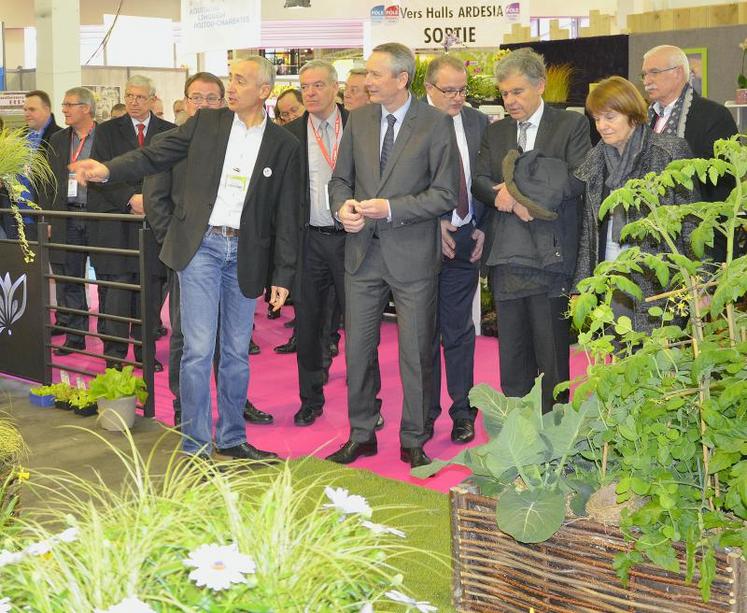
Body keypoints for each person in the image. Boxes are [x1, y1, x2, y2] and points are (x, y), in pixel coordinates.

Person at [71, 56, 301, 462]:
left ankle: (231, 436)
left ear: (264, 91)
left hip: (246, 253)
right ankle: (196, 445)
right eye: (231, 78)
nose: (232, 86)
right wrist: (107, 169)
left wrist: (283, 273)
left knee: (234, 352)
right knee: (196, 350)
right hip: (202, 248)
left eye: (241, 81)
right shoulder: (207, 123)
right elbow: (155, 156)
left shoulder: (284, 145)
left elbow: (287, 213)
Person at [327, 42, 460, 468]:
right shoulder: (360, 120)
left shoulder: (436, 123)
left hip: (413, 256)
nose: (367, 81)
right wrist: (341, 208)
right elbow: (340, 180)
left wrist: (392, 208)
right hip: (362, 254)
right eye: (367, 74)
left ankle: (414, 437)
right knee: (358, 350)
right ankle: (362, 433)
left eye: (375, 74)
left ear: (402, 79)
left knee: (416, 351)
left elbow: (445, 193)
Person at [143, 72, 271, 428]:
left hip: (234, 248)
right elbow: (156, 201)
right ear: (184, 102)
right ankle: (187, 408)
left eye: (211, 98)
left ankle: (234, 406)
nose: (203, 104)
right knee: (188, 336)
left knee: (232, 340)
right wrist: (179, 240)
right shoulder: (171, 140)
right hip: (188, 250)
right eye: (195, 97)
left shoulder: (237, 140)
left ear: (222, 103)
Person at [472, 48, 591, 414]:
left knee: (553, 357)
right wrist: (503, 199)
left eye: (517, 92)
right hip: (506, 259)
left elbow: (577, 180)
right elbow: (479, 181)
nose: (510, 101)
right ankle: (517, 432)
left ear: (540, 86)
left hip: (550, 258)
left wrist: (520, 196)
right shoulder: (498, 132)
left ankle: (554, 434)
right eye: (504, 93)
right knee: (513, 355)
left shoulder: (570, 125)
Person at [574, 76, 694, 333]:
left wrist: (698, 280)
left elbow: (691, 222)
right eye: (596, 119)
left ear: (632, 114)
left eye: (610, 117)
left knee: (660, 362)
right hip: (611, 277)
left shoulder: (668, 151)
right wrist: (581, 286)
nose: (601, 126)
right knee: (618, 361)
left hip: (660, 281)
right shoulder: (596, 159)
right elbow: (589, 229)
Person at [86, 75, 174, 371]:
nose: (134, 101)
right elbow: (99, 176)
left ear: (152, 99)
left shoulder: (169, 132)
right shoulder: (108, 131)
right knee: (117, 294)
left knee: (150, 291)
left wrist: (150, 200)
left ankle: (144, 352)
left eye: (140, 96)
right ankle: (114, 355)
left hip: (154, 226)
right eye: (130, 95)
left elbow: (173, 176)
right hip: (117, 224)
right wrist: (130, 199)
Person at [424, 54, 488, 444]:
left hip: (467, 240)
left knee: (460, 330)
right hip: (422, 243)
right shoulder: (411, 124)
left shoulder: (479, 122)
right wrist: (433, 223)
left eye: (462, 89)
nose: (457, 97)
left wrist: (484, 226)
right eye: (449, 90)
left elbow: (488, 179)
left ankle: (462, 410)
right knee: (423, 333)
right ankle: (425, 412)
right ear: (429, 88)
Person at [642, 44, 738, 260]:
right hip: (653, 238)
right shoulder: (644, 119)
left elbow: (722, 183)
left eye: (654, 72)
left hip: (699, 238)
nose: (647, 80)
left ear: (677, 73)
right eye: (644, 74)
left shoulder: (714, 116)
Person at [44, 87, 97, 356]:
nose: (63, 109)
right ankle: (75, 337)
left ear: (86, 108)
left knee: (111, 281)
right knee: (69, 278)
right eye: (63, 104)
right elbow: (50, 181)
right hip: (68, 216)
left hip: (99, 217)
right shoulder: (58, 139)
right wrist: (51, 216)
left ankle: (114, 339)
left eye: (69, 104)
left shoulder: (106, 136)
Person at [6, 91, 61, 242]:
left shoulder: (60, 137)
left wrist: (51, 218)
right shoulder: (18, 137)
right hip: (15, 215)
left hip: (43, 216)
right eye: (25, 110)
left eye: (32, 109)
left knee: (44, 263)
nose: (27, 113)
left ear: (47, 110)